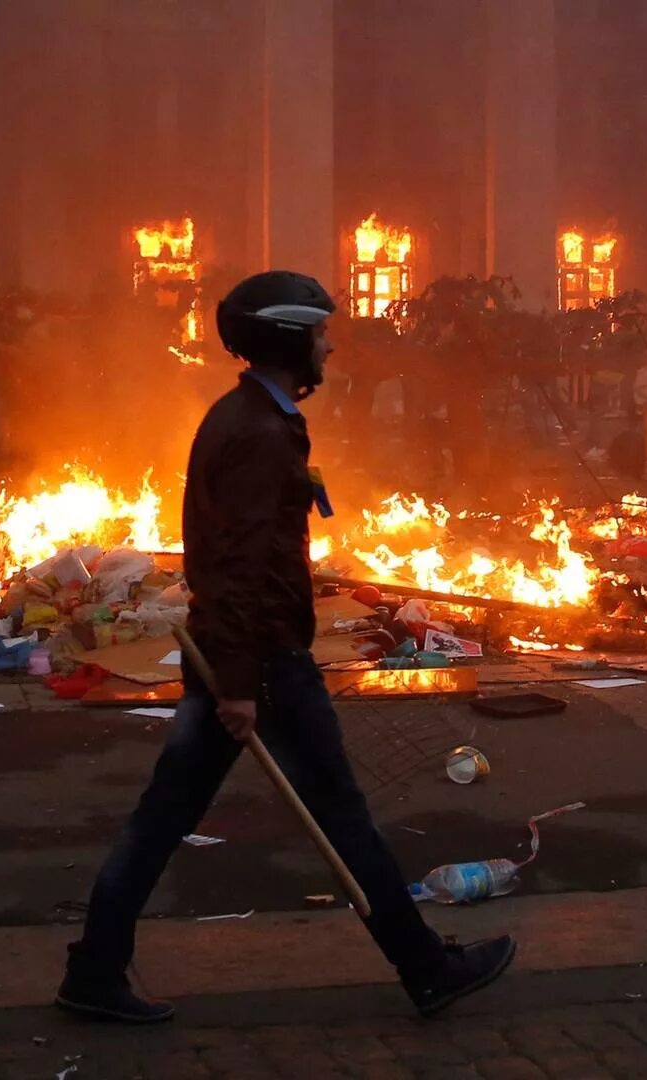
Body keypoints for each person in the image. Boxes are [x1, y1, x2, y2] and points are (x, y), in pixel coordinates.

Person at [56, 271, 516, 1025]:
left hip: (237, 658)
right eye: (319, 332)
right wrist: (239, 683)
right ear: (288, 338)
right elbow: (238, 568)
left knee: (166, 813)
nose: (328, 344)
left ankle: (94, 968)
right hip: (262, 665)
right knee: (339, 815)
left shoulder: (244, 417)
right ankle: (426, 969)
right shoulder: (261, 436)